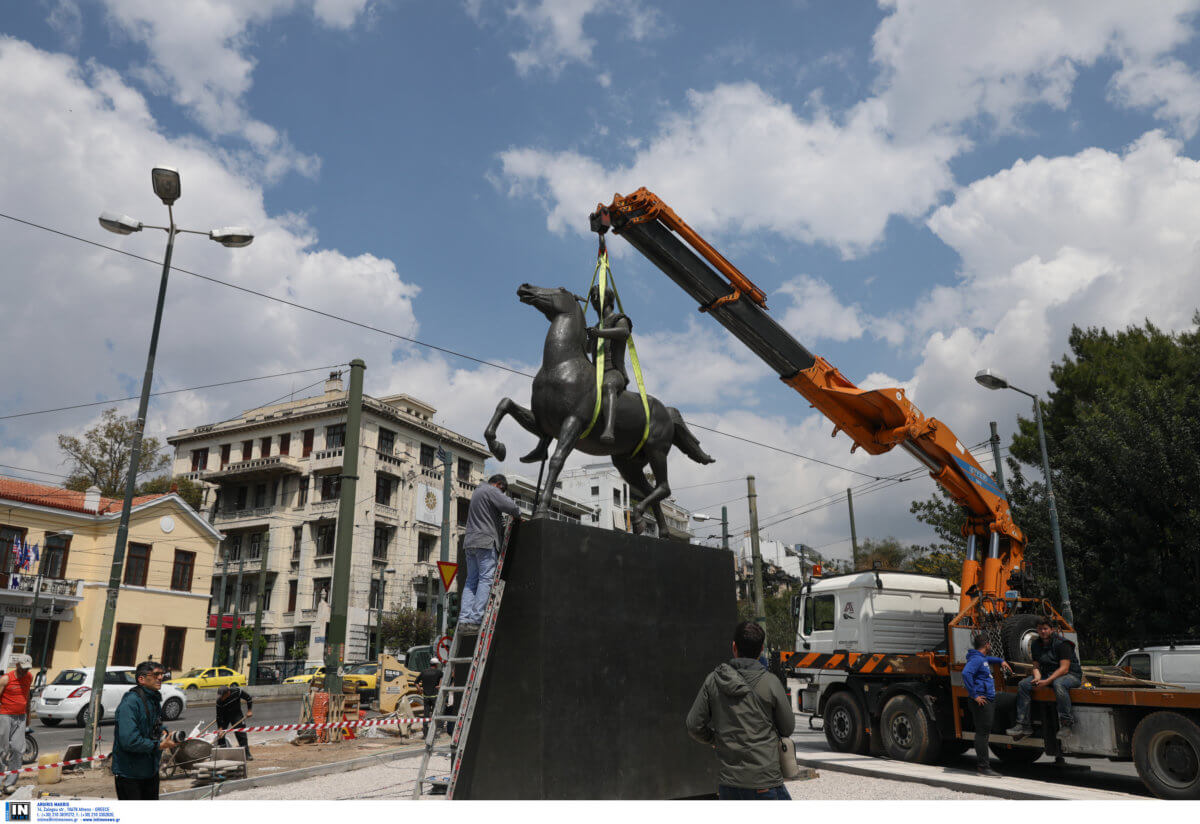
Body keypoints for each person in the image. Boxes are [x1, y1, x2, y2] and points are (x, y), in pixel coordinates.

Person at [686, 621, 795, 800]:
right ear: (761, 650)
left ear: (734, 647)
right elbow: (788, 728)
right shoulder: (771, 682)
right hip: (765, 781)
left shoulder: (713, 681)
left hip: (729, 783)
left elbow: (693, 725)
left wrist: (715, 739)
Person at [1006, 617, 1083, 742]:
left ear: (1051, 630)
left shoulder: (1063, 644)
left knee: (1058, 684)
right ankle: (1023, 725)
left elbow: (1064, 669)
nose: (1042, 631)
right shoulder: (1036, 644)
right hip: (1048, 674)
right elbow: (1035, 665)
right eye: (1040, 629)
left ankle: (1066, 723)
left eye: (1045, 629)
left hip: (1070, 675)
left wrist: (1047, 681)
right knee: (1023, 685)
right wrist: (1037, 677)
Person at [459, 474, 520, 631]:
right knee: (486, 579)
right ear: (499, 484)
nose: (502, 494)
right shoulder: (491, 490)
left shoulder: (478, 492)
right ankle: (476, 619)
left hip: (470, 542)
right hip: (485, 541)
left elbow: (493, 517)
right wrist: (518, 515)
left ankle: (464, 619)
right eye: (503, 491)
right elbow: (511, 507)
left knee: (471, 580)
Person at [112, 660, 178, 800]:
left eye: (162, 674)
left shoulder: (153, 699)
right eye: (156, 674)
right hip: (130, 775)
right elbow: (129, 741)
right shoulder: (130, 702)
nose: (161, 678)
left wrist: (165, 733)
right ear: (141, 679)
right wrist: (160, 745)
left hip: (150, 771)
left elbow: (155, 726)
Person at [585, 282, 633, 444]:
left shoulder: (619, 318)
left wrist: (599, 333)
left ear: (607, 298)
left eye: (595, 296)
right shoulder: (597, 326)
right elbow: (590, 349)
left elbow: (624, 332)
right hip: (595, 373)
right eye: (591, 297)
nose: (593, 300)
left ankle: (609, 429)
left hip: (613, 371)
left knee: (608, 386)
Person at [962, 634, 1012, 775]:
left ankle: (1019, 725)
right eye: (990, 645)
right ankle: (983, 767)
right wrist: (975, 695)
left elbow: (988, 659)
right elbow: (966, 674)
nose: (991, 646)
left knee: (1013, 700)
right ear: (987, 645)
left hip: (990, 698)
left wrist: (1000, 660)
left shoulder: (981, 658)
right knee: (983, 733)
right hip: (982, 701)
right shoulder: (976, 659)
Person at [0, 654, 33, 796]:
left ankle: (9, 784)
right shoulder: (6, 679)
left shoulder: (29, 677)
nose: (25, 671)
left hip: (20, 717)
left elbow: (27, 696)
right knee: (2, 750)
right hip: (5, 715)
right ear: (17, 665)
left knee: (18, 749)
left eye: (27, 669)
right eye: (23, 668)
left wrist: (28, 714)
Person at [215, 684, 255, 760]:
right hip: (224, 716)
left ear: (228, 693)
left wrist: (249, 711)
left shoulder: (237, 692)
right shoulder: (219, 701)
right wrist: (220, 728)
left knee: (241, 733)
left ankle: (246, 753)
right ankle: (222, 754)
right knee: (221, 735)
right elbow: (218, 716)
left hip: (236, 714)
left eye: (222, 696)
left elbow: (248, 698)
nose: (221, 698)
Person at [416, 660, 443, 737]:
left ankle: (425, 734)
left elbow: (416, 682)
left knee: (426, 715)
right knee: (435, 715)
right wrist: (440, 685)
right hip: (434, 697)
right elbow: (443, 679)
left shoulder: (423, 672)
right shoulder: (438, 672)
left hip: (426, 697)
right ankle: (435, 733)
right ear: (436, 664)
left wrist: (419, 689)